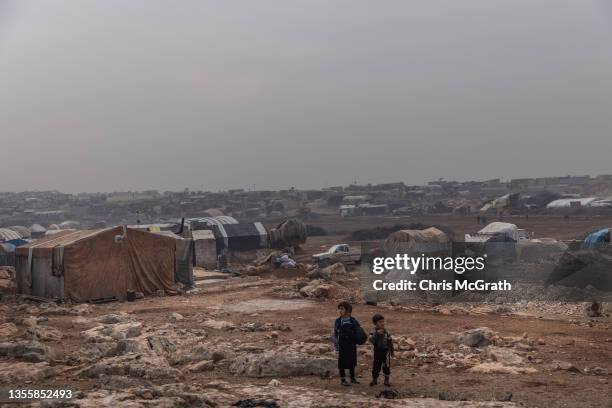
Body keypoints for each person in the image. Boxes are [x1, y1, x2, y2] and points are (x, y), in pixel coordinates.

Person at [333, 301, 360, 386]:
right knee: (342, 362)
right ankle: (343, 379)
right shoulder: (338, 321)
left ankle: (352, 378)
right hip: (342, 344)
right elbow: (335, 334)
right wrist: (336, 345)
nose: (340, 311)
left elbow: (358, 330)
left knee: (352, 361)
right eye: (339, 309)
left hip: (351, 344)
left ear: (348, 310)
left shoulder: (353, 320)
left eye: (342, 309)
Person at [368, 313, 393, 386]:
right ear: (375, 324)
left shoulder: (386, 332)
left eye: (383, 321)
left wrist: (392, 351)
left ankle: (386, 380)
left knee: (386, 366)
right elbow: (371, 340)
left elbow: (390, 342)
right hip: (377, 352)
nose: (382, 323)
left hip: (386, 352)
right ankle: (374, 380)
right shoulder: (373, 332)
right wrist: (377, 333)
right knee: (376, 366)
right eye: (380, 322)